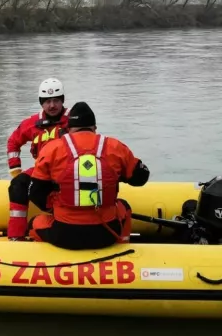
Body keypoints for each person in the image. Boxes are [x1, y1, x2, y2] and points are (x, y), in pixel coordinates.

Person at [26, 101, 150, 250]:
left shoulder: (51, 149)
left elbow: (35, 193)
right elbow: (141, 178)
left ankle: (45, 260)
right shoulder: (115, 147)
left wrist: (54, 208)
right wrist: (117, 175)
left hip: (65, 233)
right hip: (106, 234)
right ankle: (123, 247)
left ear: (69, 128)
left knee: (34, 223)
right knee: (124, 206)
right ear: (94, 128)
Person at [5, 78, 70, 240]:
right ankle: (16, 236)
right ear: (42, 103)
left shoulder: (73, 120)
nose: (52, 105)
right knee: (17, 186)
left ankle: (64, 219)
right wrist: (15, 170)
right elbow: (13, 141)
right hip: (42, 171)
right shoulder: (32, 123)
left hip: (68, 172)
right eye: (47, 101)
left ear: (62, 101)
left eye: (56, 100)